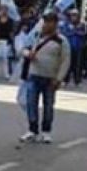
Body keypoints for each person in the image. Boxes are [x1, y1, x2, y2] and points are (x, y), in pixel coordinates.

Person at [19, 12, 70, 144]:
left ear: (55, 24)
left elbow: (65, 61)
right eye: (45, 22)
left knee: (48, 105)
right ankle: (32, 129)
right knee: (31, 103)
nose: (47, 25)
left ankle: (46, 131)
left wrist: (59, 78)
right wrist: (28, 54)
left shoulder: (61, 41)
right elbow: (23, 49)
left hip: (50, 78)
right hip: (34, 75)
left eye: (50, 22)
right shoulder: (36, 36)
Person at [62, 10, 87, 86]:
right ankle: (65, 80)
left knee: (78, 64)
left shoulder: (82, 24)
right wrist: (74, 31)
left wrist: (77, 31)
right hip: (69, 46)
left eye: (75, 15)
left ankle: (77, 80)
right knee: (68, 64)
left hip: (79, 47)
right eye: (72, 15)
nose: (74, 17)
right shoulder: (67, 24)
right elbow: (65, 33)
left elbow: (84, 33)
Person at [0, 8, 14, 80]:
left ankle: (6, 74)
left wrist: (11, 40)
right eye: (2, 10)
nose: (4, 11)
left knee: (5, 58)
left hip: (6, 41)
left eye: (5, 10)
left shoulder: (10, 21)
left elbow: (11, 31)